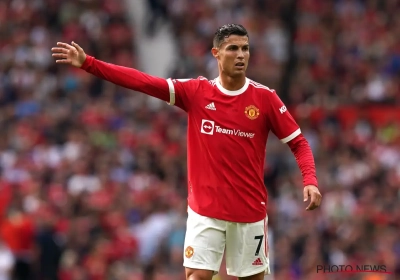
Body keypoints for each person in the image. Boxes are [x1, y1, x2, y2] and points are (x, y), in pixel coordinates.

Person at [51, 24, 322, 280]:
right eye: (233, 49)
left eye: (245, 48)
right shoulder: (196, 92)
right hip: (205, 211)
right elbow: (143, 82)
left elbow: (299, 143)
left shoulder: (265, 98)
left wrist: (310, 180)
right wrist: (89, 63)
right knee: (196, 276)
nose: (241, 55)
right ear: (216, 53)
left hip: (249, 212)